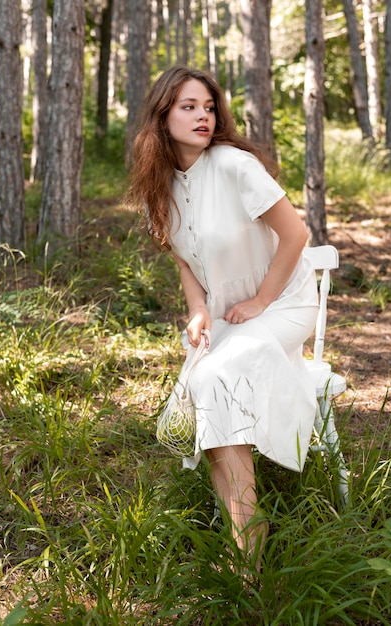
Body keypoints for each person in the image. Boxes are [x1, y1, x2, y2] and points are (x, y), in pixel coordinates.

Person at [126, 65, 319, 569]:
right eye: (189, 107)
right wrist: (197, 311)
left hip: (284, 304)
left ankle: (245, 547)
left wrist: (261, 301)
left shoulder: (234, 165)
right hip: (227, 311)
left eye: (209, 107)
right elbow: (186, 263)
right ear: (163, 115)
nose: (203, 116)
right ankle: (245, 536)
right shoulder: (160, 186)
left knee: (212, 375)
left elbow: (296, 236)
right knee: (210, 381)